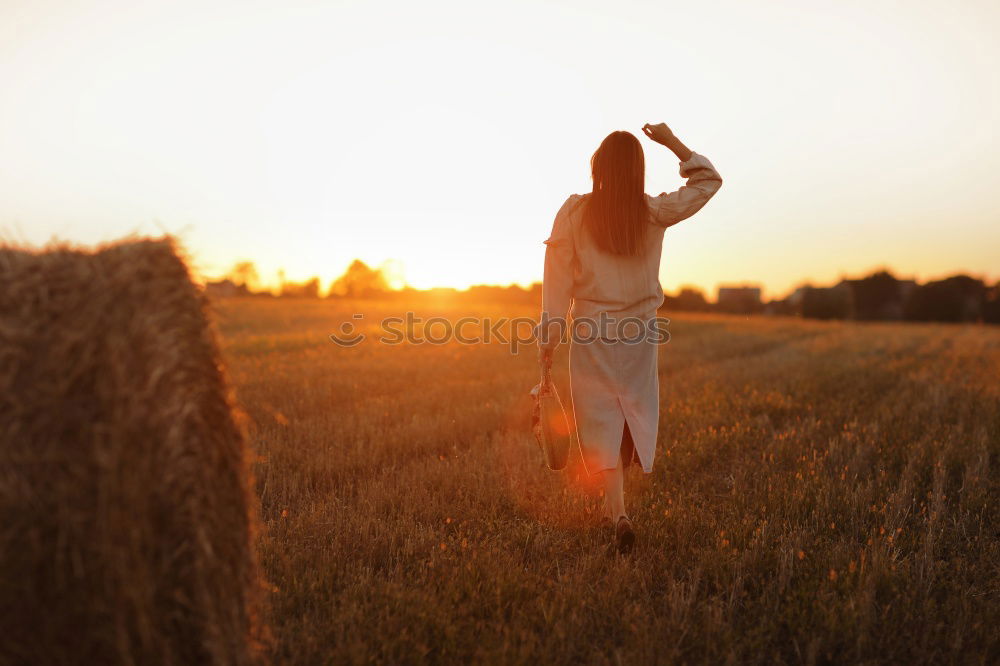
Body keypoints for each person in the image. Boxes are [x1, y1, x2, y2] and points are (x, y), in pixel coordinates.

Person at [536, 122, 722, 553]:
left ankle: (617, 509)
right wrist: (672, 142)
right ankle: (616, 511)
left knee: (601, 420)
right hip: (639, 333)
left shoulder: (574, 213)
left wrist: (549, 336)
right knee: (627, 414)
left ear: (597, 167)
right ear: (638, 169)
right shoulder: (652, 210)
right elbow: (709, 181)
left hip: (591, 331)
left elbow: (557, 280)